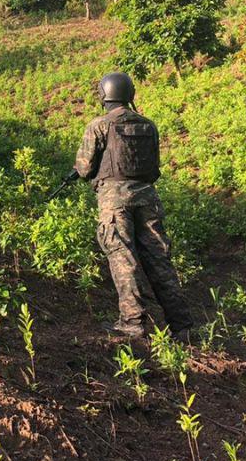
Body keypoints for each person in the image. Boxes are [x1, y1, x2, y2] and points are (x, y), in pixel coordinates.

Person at [71, 72, 193, 338]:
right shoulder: (148, 126)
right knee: (159, 260)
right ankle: (181, 324)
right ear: (130, 94)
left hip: (114, 201)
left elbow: (83, 168)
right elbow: (154, 168)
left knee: (123, 258)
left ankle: (133, 322)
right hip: (148, 198)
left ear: (104, 95)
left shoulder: (99, 126)